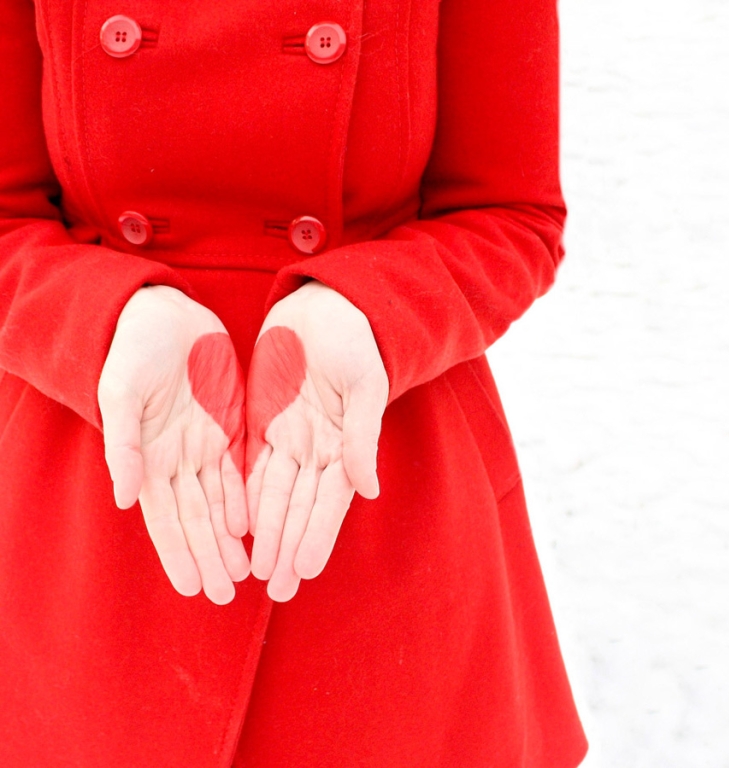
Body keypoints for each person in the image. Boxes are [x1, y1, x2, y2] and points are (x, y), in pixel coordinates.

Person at [0, 0, 588, 765]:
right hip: (104, 479)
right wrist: (102, 320)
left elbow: (511, 213)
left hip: (374, 479)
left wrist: (376, 310)